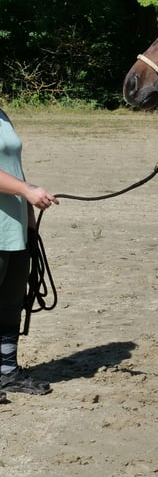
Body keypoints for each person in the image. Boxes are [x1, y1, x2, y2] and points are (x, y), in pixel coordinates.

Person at [0, 108, 58, 401]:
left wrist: (29, 210)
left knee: (10, 302)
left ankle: (7, 372)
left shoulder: (2, 115)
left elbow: (11, 165)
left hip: (13, 223)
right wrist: (25, 190)